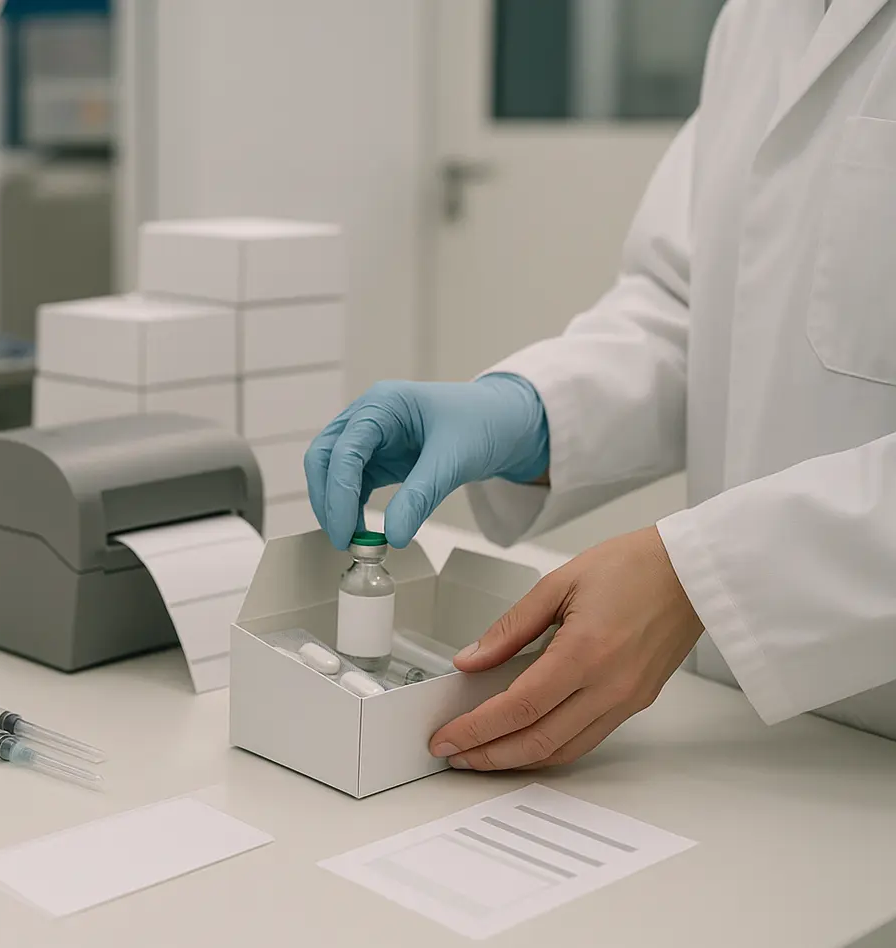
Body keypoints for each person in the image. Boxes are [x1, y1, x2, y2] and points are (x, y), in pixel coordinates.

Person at [305, 0, 896, 771]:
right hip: (742, 741)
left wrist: (707, 576)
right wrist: (528, 411)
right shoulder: (761, 16)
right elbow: (694, 307)